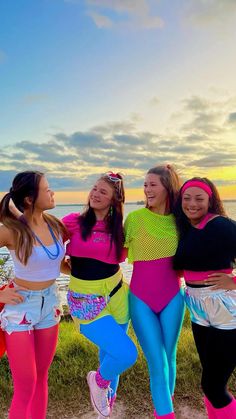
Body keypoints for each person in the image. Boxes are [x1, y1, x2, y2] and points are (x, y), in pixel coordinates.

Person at [62, 172, 137, 419]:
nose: (95, 194)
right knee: (126, 353)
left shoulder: (120, 230)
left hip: (117, 296)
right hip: (85, 301)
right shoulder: (72, 222)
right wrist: (65, 268)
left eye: (103, 191)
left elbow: (133, 255)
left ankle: (104, 410)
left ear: (115, 199)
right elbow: (46, 248)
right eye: (95, 189)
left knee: (109, 354)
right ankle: (97, 380)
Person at [0, 171, 67, 419]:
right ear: (29, 199)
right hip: (20, 306)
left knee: (41, 378)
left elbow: (55, 262)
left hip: (50, 303)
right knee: (26, 384)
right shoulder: (12, 231)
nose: (52, 193)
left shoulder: (55, 224)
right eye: (47, 189)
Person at [124, 164, 185, 419]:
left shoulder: (182, 221)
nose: (147, 189)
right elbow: (116, 253)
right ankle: (165, 413)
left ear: (167, 187)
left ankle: (164, 404)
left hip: (173, 298)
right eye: (145, 184)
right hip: (141, 299)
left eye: (153, 184)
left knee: (169, 357)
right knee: (156, 362)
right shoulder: (135, 219)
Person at [173, 177, 236, 418]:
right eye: (187, 198)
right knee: (211, 381)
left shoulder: (221, 226)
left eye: (199, 199)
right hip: (197, 306)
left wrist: (233, 281)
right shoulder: (187, 228)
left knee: (213, 385)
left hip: (225, 305)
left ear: (210, 200)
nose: (192, 204)